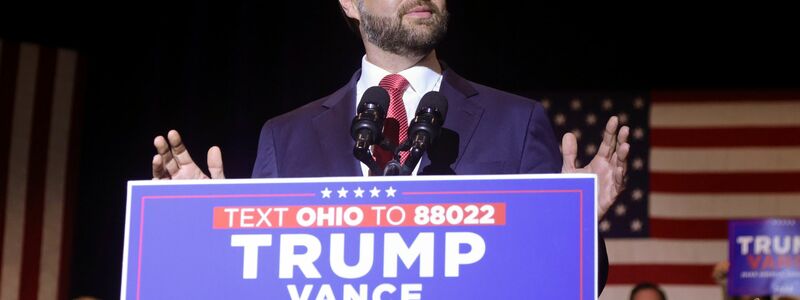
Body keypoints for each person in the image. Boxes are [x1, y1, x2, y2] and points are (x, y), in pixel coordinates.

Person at [150, 0, 629, 295]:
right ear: (350, 4)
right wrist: (205, 229)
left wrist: (577, 223)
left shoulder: (517, 121)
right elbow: (262, 281)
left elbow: (571, 285)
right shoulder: (286, 134)